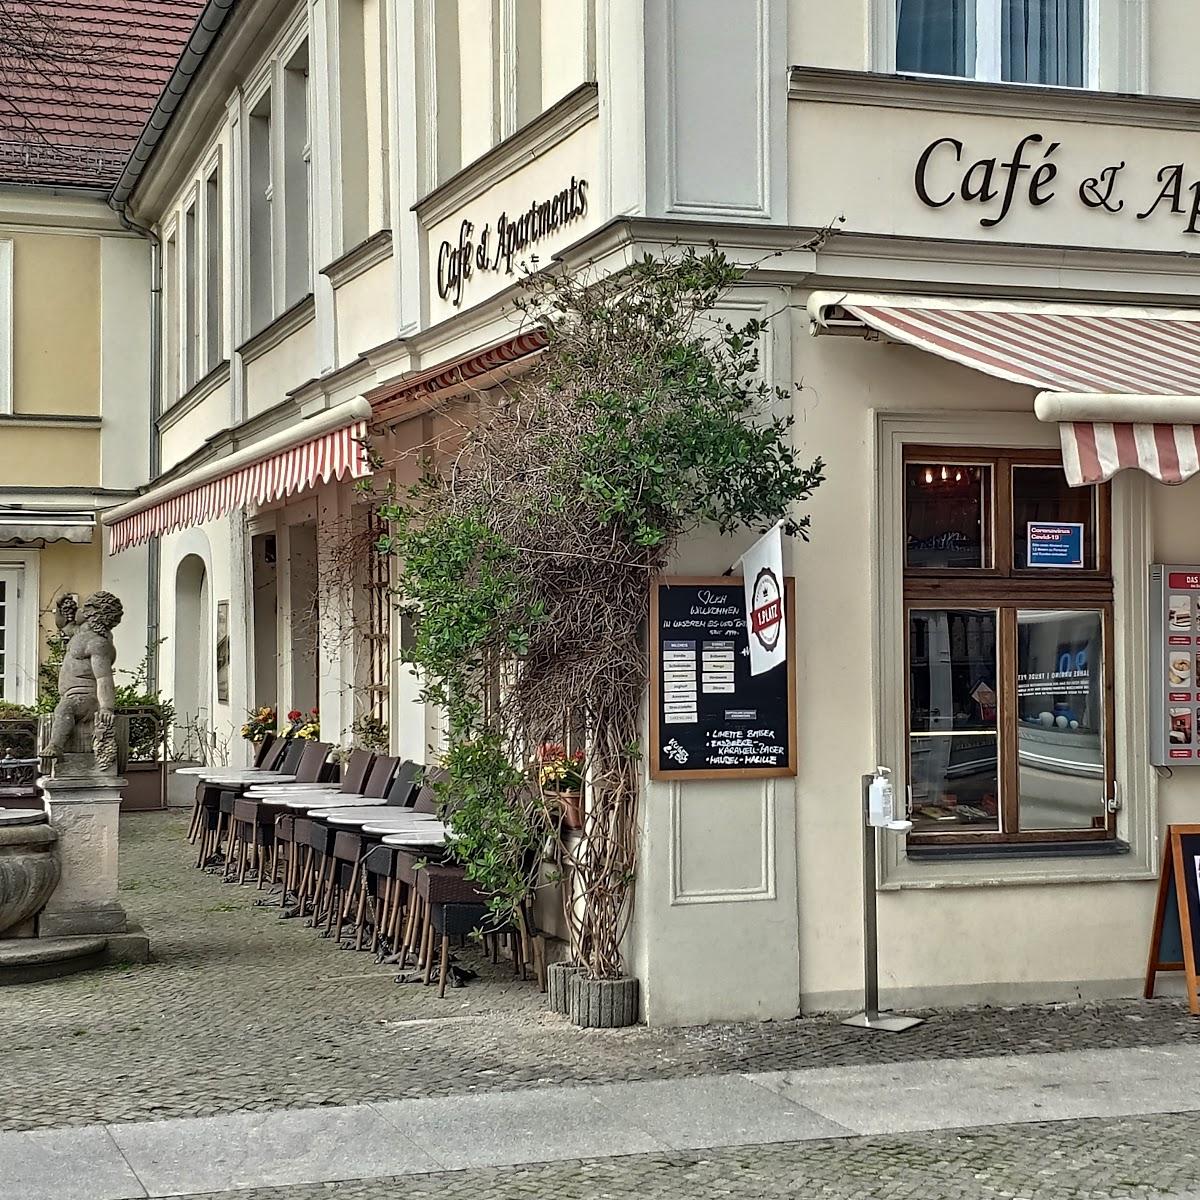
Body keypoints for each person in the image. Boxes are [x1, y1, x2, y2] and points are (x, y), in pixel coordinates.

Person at [44, 591, 124, 769]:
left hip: (86, 696)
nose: (78, 609)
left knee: (64, 708)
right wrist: (59, 607)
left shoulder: (97, 643)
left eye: (85, 606)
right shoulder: (80, 632)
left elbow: (103, 678)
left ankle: (55, 746)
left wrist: (106, 707)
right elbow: (63, 624)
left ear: (93, 612)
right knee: (65, 706)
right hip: (73, 694)